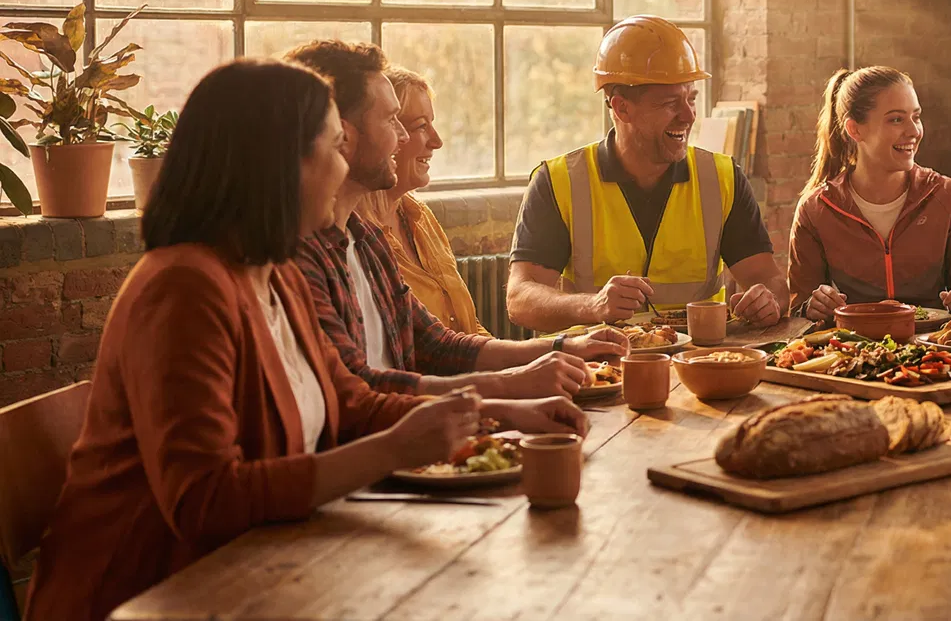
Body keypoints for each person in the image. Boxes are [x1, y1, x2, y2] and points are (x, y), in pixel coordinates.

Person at [25, 60, 587, 621]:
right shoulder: (183, 288)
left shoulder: (274, 273)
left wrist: (498, 411)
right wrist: (397, 448)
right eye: (334, 147)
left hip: (264, 570)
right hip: (152, 595)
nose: (344, 167)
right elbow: (205, 501)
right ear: (280, 165)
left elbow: (352, 403)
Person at [285, 41, 625, 398]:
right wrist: (505, 388)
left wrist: (563, 348)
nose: (404, 137)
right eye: (393, 121)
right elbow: (359, 393)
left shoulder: (366, 239)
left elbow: (438, 345)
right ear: (343, 136)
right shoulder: (302, 256)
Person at [506, 16, 789, 332]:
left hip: (700, 361)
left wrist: (769, 301)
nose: (688, 115)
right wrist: (592, 305)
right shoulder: (558, 182)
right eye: (670, 103)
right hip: (603, 366)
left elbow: (770, 280)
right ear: (621, 108)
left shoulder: (722, 178)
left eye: (691, 99)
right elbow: (520, 300)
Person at [787, 67, 951, 321]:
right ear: (855, 130)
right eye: (896, 119)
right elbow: (797, 311)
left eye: (916, 117)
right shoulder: (816, 209)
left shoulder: (948, 196)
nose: (914, 131)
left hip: (935, 352)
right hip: (853, 353)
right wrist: (812, 307)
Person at [355, 66, 490, 335]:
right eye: (420, 126)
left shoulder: (420, 216)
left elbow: (468, 328)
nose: (437, 141)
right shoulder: (357, 239)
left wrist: (530, 361)